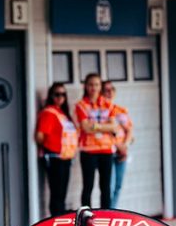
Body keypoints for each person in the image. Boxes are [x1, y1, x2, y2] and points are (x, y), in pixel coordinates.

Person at [75, 73, 118, 209]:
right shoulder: (81, 105)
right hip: (88, 151)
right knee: (88, 186)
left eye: (97, 84)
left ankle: (106, 216)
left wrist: (95, 126)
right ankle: (86, 218)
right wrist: (104, 127)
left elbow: (113, 126)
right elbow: (85, 128)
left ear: (101, 86)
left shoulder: (109, 104)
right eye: (91, 84)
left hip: (106, 150)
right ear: (86, 86)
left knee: (105, 187)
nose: (94, 87)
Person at [35, 83, 78, 216]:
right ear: (51, 96)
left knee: (62, 194)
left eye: (63, 94)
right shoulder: (49, 113)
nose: (60, 97)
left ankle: (60, 220)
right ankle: (56, 221)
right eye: (57, 94)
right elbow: (40, 136)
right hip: (54, 158)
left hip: (65, 158)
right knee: (57, 194)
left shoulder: (62, 113)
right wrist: (51, 148)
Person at [103, 81, 134, 207]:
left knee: (118, 185)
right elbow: (104, 131)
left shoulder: (120, 110)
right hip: (108, 151)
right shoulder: (100, 111)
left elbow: (130, 130)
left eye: (112, 89)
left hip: (122, 152)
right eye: (106, 90)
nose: (110, 92)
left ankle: (114, 211)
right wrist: (117, 145)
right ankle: (108, 212)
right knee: (109, 186)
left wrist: (125, 146)